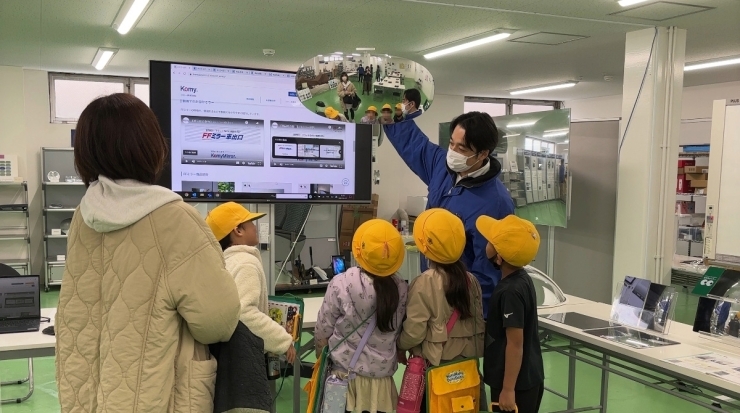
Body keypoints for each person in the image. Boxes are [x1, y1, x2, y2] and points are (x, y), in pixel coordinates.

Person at [55, 93, 241, 413]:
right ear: (151, 146)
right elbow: (218, 322)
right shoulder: (174, 220)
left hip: (87, 395)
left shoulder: (83, 217)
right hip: (160, 396)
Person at [382, 111, 514, 318]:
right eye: (451, 143)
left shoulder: (495, 203)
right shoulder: (441, 167)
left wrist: (472, 318)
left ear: (482, 154)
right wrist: (394, 119)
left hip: (459, 303)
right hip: (431, 287)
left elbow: (488, 271)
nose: (452, 151)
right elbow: (415, 146)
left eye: (461, 148)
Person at [314, 219, 408, 413]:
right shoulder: (401, 288)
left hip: (344, 379)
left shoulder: (341, 282)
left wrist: (321, 357)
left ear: (360, 251)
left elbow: (323, 329)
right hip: (382, 384)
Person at [397, 208, 485, 413]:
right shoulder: (471, 280)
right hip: (468, 369)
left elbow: (414, 332)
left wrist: (400, 346)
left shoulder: (424, 282)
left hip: (437, 371)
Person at [205, 202, 296, 363]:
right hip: (244, 356)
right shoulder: (246, 262)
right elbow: (244, 313)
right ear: (238, 230)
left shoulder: (224, 262)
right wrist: (282, 339)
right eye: (250, 223)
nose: (255, 227)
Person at [476, 215, 544, 413]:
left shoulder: (510, 291)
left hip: (516, 385)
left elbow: (515, 343)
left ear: (499, 257)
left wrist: (507, 389)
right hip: (527, 378)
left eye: (491, 241)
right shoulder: (521, 279)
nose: (485, 243)